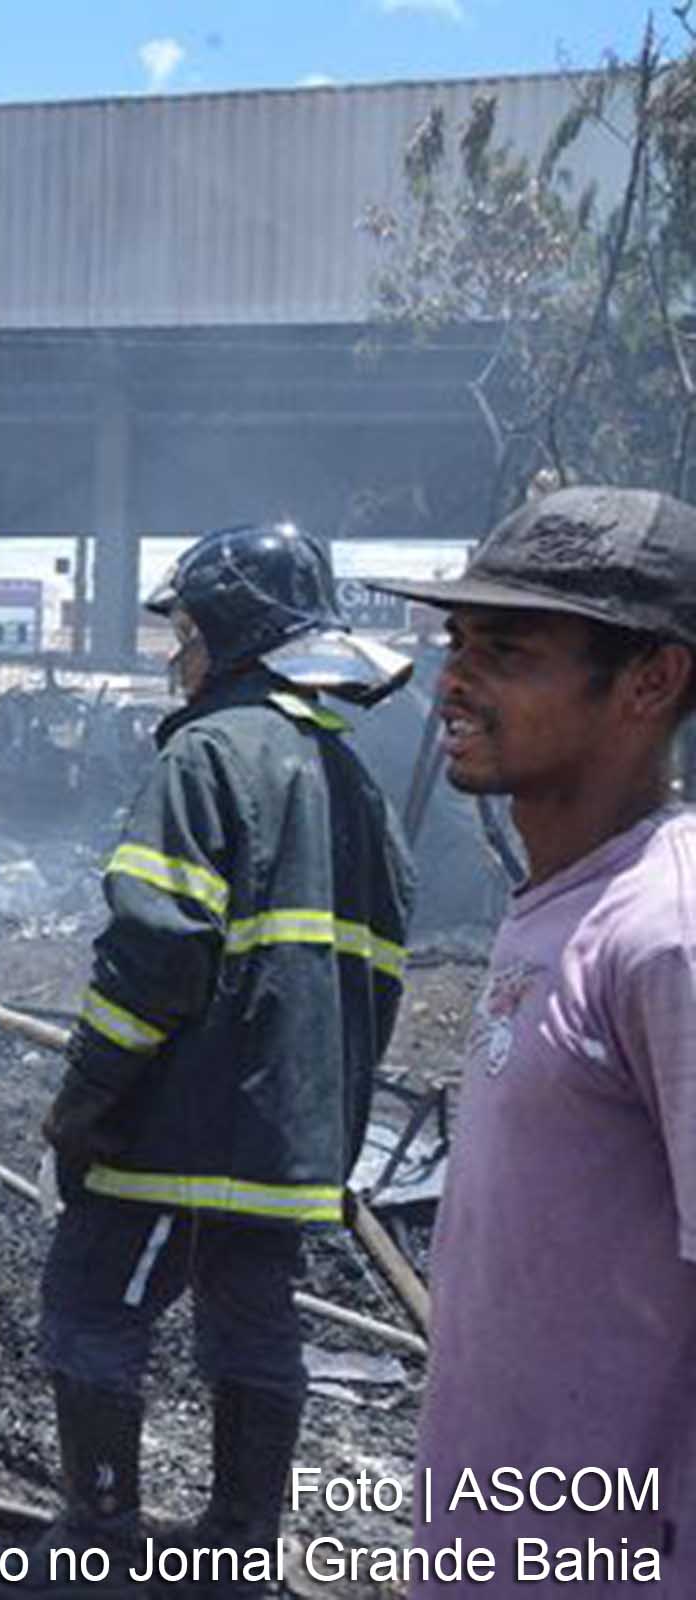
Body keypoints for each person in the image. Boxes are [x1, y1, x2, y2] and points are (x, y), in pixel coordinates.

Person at [1, 524, 417, 1599]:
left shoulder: (209, 752)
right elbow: (375, 971)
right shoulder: (349, 778)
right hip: (291, 1136)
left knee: (91, 1310)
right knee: (253, 1322)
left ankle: (96, 1545)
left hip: (182, 1126)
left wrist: (87, 1097)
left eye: (181, 630)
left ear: (224, 635)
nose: (173, 653)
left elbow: (155, 947)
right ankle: (238, 1552)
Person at [364, 487, 696, 1598]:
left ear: (651, 679)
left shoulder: (667, 932)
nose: (454, 681)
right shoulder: (555, 903)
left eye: (505, 651)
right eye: (457, 644)